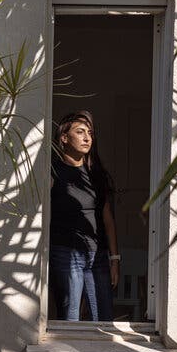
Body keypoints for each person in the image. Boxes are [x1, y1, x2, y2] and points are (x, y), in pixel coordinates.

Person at [49, 110, 120, 321]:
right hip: (66, 253)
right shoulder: (52, 172)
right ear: (64, 138)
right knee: (70, 317)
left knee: (103, 318)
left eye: (90, 132)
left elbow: (107, 219)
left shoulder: (95, 174)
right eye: (80, 132)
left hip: (97, 256)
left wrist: (114, 259)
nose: (87, 138)